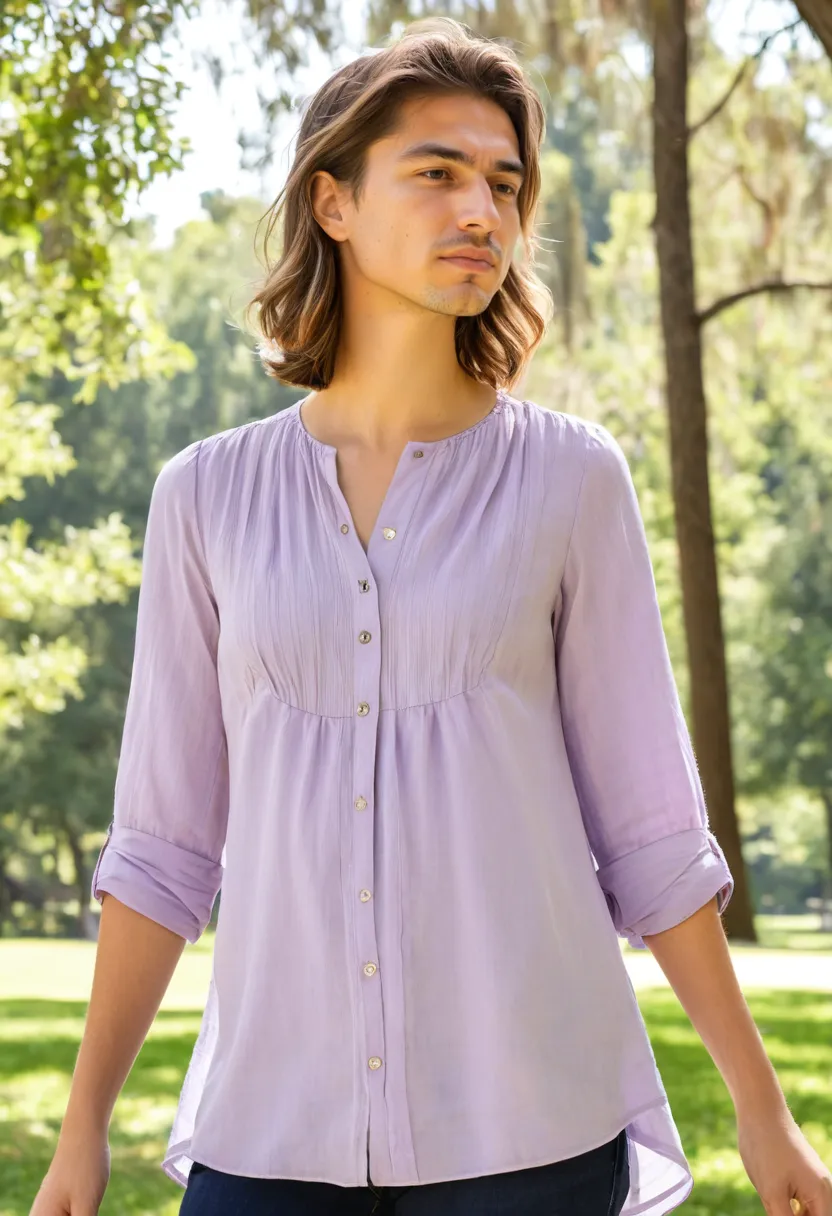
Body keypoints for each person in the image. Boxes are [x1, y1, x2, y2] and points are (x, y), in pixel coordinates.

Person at [31, 16, 832, 1216]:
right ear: (334, 203)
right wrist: (81, 1128)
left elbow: (652, 831)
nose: (482, 212)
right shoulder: (205, 495)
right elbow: (162, 847)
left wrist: (762, 1115)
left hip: (528, 1126)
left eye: (504, 185)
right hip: (271, 1126)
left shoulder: (570, 478)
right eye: (438, 172)